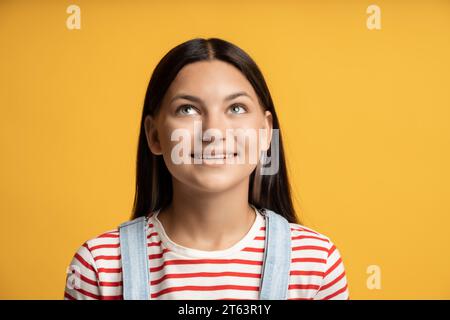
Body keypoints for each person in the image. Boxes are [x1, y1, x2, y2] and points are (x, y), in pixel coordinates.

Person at [64, 37, 350, 300]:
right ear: (154, 135)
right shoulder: (100, 268)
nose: (213, 131)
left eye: (236, 108)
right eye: (188, 109)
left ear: (265, 131)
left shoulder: (315, 263)